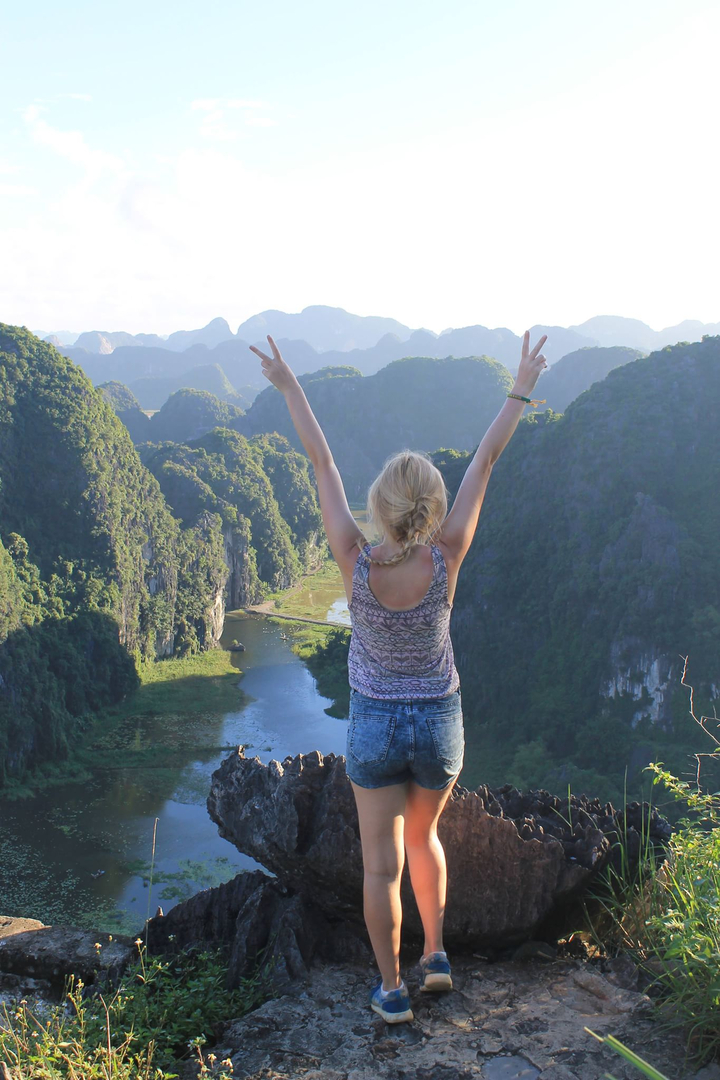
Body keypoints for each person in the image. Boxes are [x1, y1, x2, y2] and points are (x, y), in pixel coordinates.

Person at [250, 330, 548, 1023]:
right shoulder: (448, 555)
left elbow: (321, 460)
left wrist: (290, 386)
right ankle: (436, 957)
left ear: (379, 507)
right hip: (439, 721)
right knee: (426, 840)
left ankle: (390, 991)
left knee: (380, 866)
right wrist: (520, 388)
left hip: (376, 724)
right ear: (432, 510)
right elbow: (486, 459)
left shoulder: (354, 559)